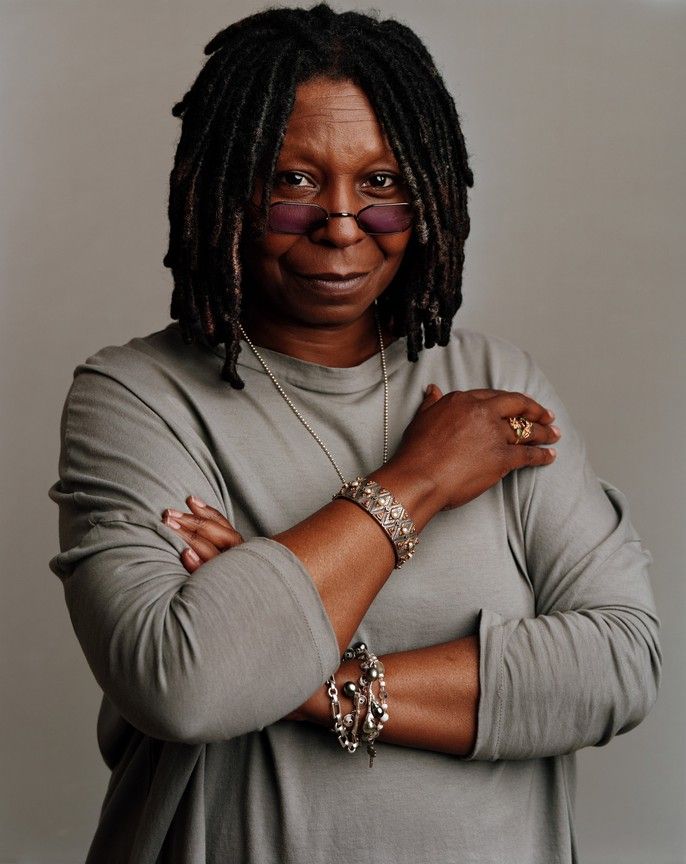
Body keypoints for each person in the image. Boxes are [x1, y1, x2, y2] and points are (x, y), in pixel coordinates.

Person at [47, 4, 662, 863]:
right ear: (225, 185)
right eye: (292, 181)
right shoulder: (138, 398)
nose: (342, 221)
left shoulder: (500, 391)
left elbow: (618, 664)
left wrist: (302, 680)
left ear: (430, 190)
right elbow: (185, 683)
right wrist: (420, 481)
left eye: (381, 182)